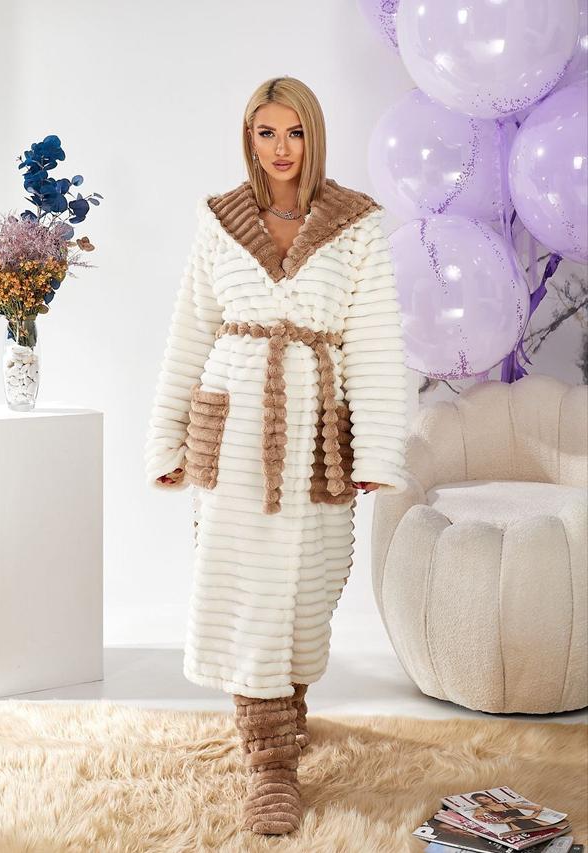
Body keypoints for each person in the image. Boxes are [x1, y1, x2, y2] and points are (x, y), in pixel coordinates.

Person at [144, 76, 409, 836]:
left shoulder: (356, 224)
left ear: (313, 135)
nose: (281, 148)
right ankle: (269, 762)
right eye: (266, 132)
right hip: (233, 429)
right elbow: (191, 331)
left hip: (315, 429)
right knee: (249, 588)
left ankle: (283, 715)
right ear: (249, 137)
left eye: (294, 132)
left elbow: (374, 339)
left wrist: (378, 446)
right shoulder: (220, 220)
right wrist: (167, 438)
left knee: (308, 585)